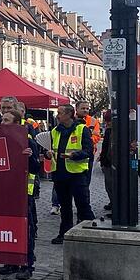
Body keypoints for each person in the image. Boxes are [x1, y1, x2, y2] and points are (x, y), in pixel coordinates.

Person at [0, 109, 39, 280]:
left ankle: (27, 265)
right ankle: (11, 261)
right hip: (5, 190)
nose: (2, 123)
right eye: (2, 119)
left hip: (22, 192)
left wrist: (28, 157)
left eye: (6, 120)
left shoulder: (27, 141)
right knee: (8, 227)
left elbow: (36, 168)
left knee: (25, 229)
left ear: (16, 123)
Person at [47, 104, 95, 244]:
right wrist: (48, 154)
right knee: (65, 207)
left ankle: (90, 233)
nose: (57, 115)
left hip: (77, 174)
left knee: (83, 204)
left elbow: (88, 151)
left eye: (60, 113)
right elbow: (50, 150)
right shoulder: (55, 131)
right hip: (60, 174)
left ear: (69, 114)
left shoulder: (82, 129)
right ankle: (64, 233)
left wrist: (75, 155)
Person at [99, 110, 115, 216]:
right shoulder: (109, 131)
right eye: (106, 121)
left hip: (113, 163)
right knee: (108, 185)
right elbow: (105, 146)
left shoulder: (118, 131)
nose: (107, 123)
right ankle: (113, 203)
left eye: (109, 121)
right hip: (107, 162)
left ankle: (116, 206)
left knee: (112, 185)